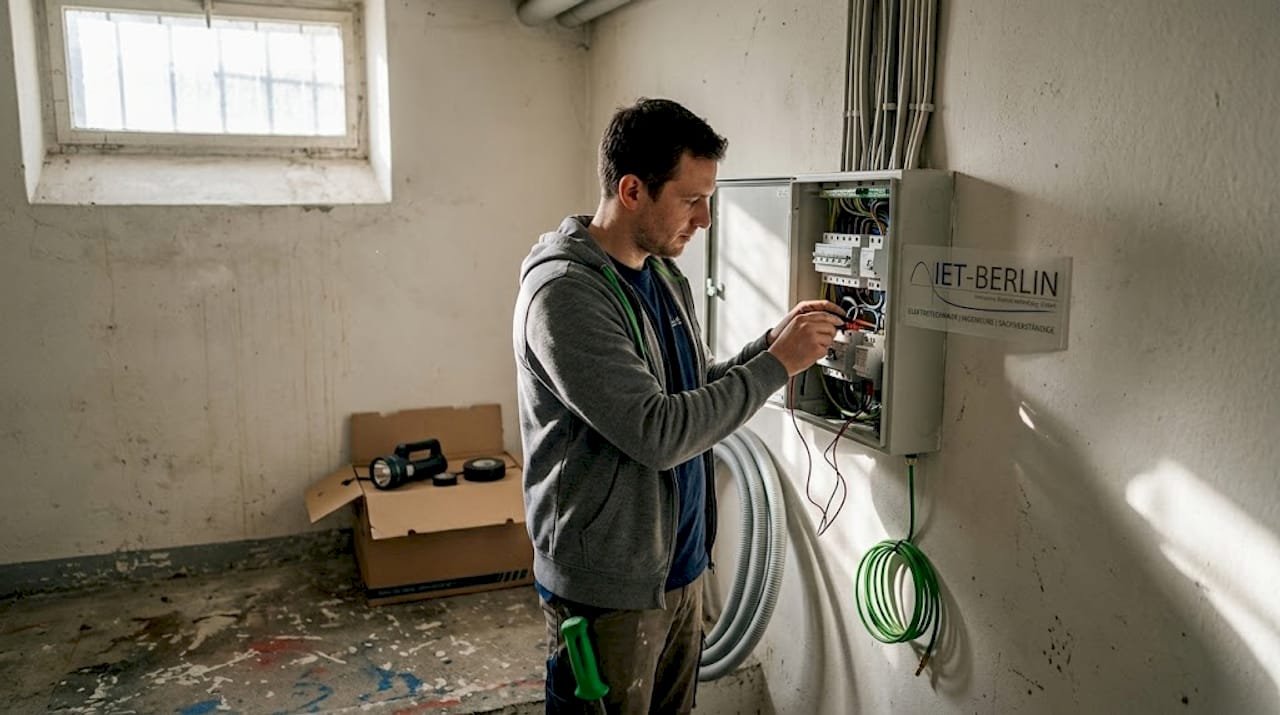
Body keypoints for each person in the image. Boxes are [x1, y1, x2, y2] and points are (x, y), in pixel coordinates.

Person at [513, 97, 844, 714]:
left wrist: (766, 347)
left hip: (679, 567)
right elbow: (657, 431)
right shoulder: (564, 295)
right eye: (692, 199)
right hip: (608, 591)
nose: (706, 218)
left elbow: (687, 387)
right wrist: (778, 366)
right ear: (632, 190)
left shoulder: (662, 276)